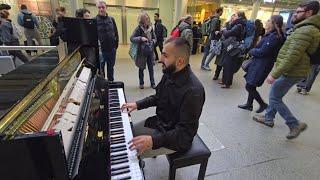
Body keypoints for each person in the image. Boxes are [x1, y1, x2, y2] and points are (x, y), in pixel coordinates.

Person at [121, 38, 205, 158]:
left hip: (176, 140)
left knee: (129, 154)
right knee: (126, 135)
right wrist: (137, 104)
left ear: (180, 61)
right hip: (161, 123)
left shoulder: (194, 91)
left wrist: (153, 140)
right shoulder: (169, 73)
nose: (160, 59)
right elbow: (158, 97)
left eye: (165, 56)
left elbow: (184, 133)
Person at [253, 1, 320, 139]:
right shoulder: (304, 28)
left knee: (275, 97)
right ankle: (269, 118)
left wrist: (274, 74)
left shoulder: (306, 30)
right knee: (275, 94)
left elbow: (292, 56)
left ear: (309, 13)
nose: (294, 15)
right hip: (295, 69)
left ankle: (294, 124)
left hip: (293, 70)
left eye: (298, 12)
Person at [238, 15, 285, 113]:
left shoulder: (274, 37)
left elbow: (263, 52)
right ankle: (249, 104)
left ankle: (262, 104)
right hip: (259, 63)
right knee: (251, 83)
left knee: (250, 86)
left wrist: (252, 50)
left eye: (268, 20)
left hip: (261, 65)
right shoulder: (271, 35)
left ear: (274, 23)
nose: (266, 22)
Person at [220, 11, 246, 88]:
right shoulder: (238, 24)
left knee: (229, 65)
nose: (233, 17)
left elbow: (227, 33)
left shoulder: (238, 25)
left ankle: (227, 83)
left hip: (233, 47)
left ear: (239, 17)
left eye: (235, 15)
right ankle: (225, 81)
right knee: (226, 64)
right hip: (231, 46)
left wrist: (224, 30)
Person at [130, 12, 156, 89]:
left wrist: (153, 42)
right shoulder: (138, 29)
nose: (147, 20)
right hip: (142, 53)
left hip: (150, 51)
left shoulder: (151, 28)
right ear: (142, 20)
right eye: (145, 18)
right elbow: (132, 38)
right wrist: (141, 38)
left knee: (151, 68)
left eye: (148, 18)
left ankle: (153, 83)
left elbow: (155, 38)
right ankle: (141, 83)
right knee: (141, 68)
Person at [96, 1, 119, 81]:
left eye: (103, 7)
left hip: (112, 50)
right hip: (101, 51)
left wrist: (116, 46)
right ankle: (103, 86)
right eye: (99, 7)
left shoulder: (111, 19)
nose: (101, 9)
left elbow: (116, 33)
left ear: (106, 8)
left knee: (111, 68)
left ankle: (111, 83)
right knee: (101, 70)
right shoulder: (95, 20)